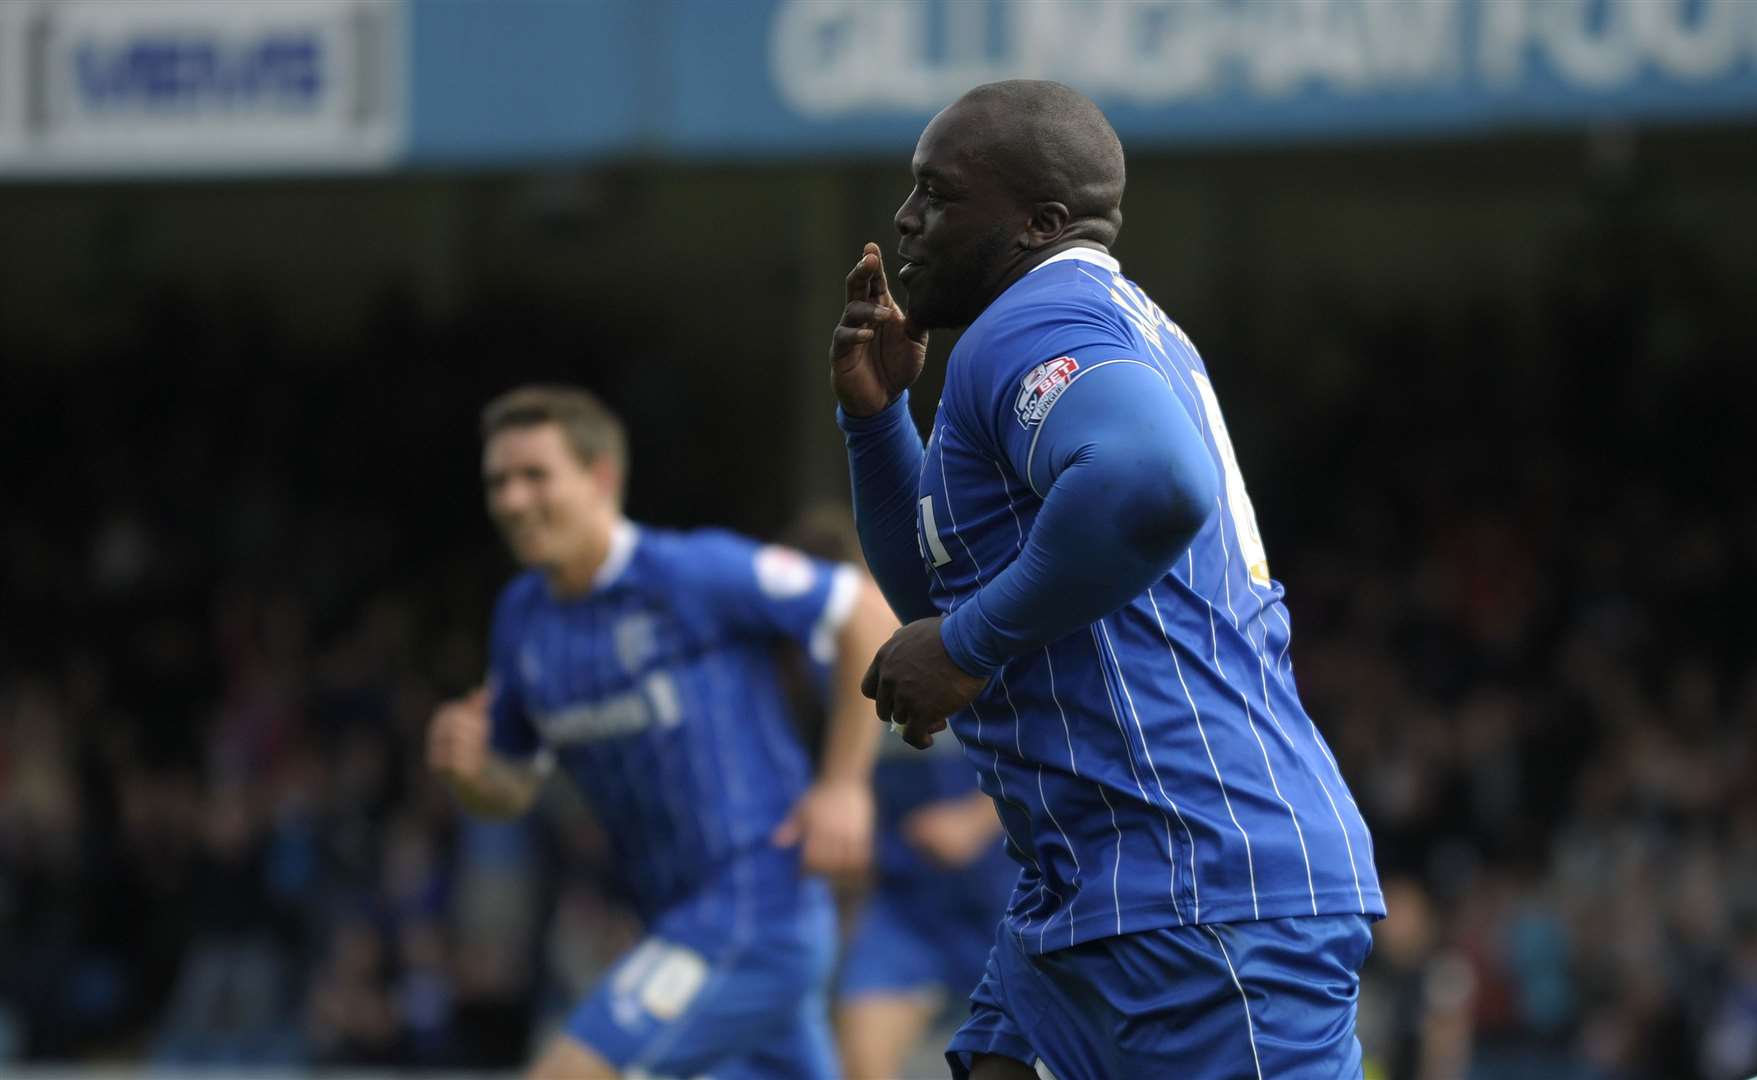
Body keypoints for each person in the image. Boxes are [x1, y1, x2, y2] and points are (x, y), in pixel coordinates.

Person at [829, 80, 1386, 1079]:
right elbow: (950, 597)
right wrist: (878, 426)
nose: (906, 218)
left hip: (1192, 877)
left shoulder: (1035, 321)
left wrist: (962, 649)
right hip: (1087, 886)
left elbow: (1150, 483)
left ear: (1036, 223)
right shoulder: (1075, 326)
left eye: (937, 193)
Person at [426, 385, 896, 1080]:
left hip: (755, 908)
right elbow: (514, 790)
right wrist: (471, 776)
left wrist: (843, 786)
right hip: (675, 923)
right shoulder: (521, 620)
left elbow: (865, 610)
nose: (513, 500)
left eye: (534, 476)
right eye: (498, 481)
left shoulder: (688, 574)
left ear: (600, 478)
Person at [782, 504, 1020, 1080]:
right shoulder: (822, 678)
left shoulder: (967, 634)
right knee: (860, 1062)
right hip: (905, 903)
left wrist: (977, 818)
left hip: (1008, 895)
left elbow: (1053, 741)